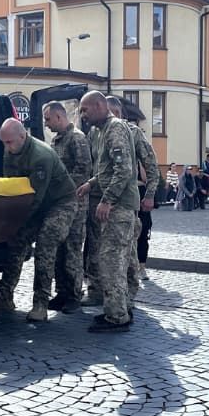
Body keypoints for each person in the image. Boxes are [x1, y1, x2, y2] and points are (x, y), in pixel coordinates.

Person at [0, 118, 78, 322]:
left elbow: (35, 198)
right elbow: (11, 186)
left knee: (45, 244)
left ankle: (41, 303)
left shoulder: (41, 156)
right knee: (16, 242)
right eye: (3, 142)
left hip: (60, 203)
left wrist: (15, 221)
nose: (6, 147)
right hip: (36, 204)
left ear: (22, 136)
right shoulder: (10, 150)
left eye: (9, 142)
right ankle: (4, 297)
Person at [76, 91, 138, 332]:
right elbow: (107, 169)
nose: (83, 115)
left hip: (119, 206)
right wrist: (91, 184)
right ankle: (120, 308)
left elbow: (123, 170)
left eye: (85, 109)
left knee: (111, 260)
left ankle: (117, 317)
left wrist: (107, 200)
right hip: (117, 204)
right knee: (113, 259)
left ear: (100, 106)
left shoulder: (115, 129)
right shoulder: (102, 132)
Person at [43, 101, 92, 314]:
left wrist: (61, 188)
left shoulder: (77, 139)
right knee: (59, 249)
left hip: (75, 205)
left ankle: (73, 294)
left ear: (59, 117)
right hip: (59, 205)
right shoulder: (57, 140)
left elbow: (84, 170)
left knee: (72, 249)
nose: (46, 124)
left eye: (47, 119)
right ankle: (61, 292)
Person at [106, 96, 158, 288]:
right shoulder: (97, 132)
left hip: (129, 197)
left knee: (132, 240)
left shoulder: (133, 132)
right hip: (103, 199)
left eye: (113, 113)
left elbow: (152, 167)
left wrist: (150, 195)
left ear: (119, 113)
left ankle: (129, 288)